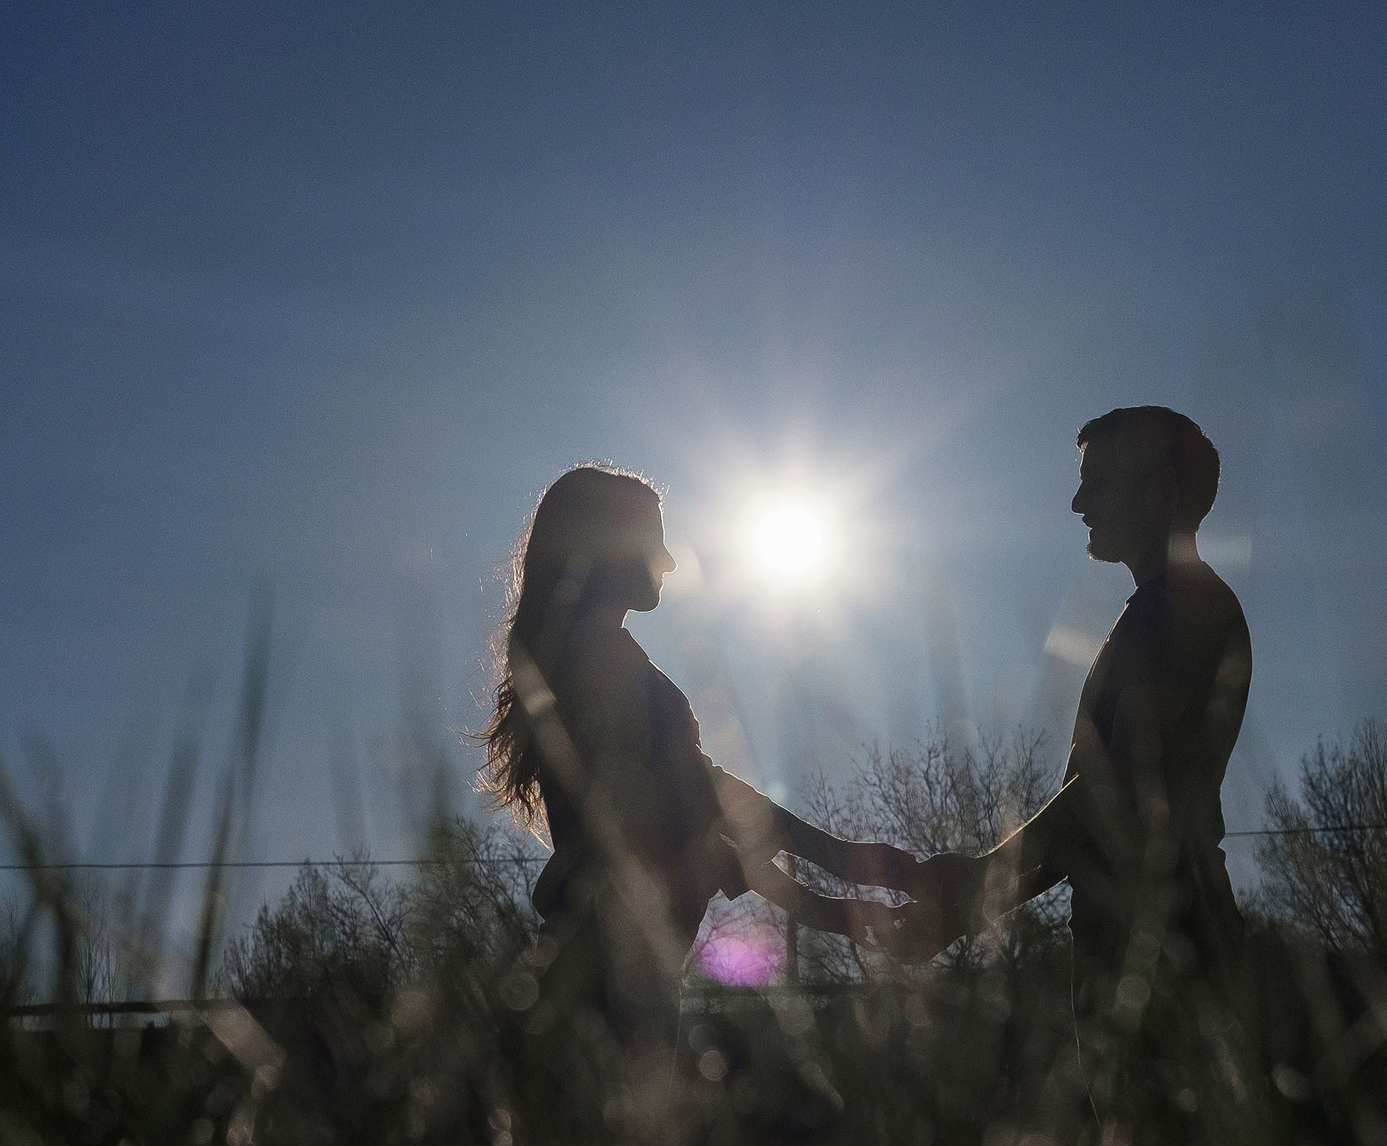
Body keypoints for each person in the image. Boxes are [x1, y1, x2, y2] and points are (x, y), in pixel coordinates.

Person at [478, 465, 912, 1051]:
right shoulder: (598, 662)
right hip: (607, 975)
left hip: (615, 971)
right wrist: (851, 874)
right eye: (654, 541)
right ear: (609, 546)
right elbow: (702, 803)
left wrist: (847, 890)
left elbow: (703, 817)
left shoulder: (592, 658)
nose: (669, 561)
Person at [887, 406, 1251, 997]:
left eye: (1098, 484)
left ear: (1161, 490)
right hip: (1132, 943)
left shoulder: (1185, 610)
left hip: (1172, 946)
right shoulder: (1158, 611)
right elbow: (1083, 826)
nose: (1080, 504)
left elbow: (1114, 790)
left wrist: (981, 875)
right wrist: (967, 912)